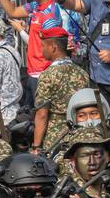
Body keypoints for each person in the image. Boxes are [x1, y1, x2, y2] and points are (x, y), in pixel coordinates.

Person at [31, 25, 89, 153]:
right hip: (80, 135)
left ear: (53, 47)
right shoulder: (82, 73)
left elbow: (42, 114)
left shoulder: (47, 75)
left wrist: (36, 146)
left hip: (56, 139)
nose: (42, 50)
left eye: (43, 46)